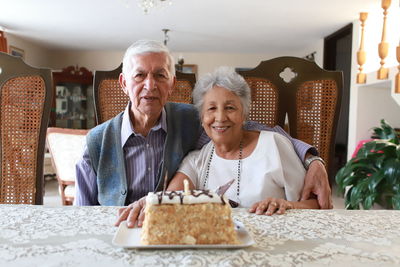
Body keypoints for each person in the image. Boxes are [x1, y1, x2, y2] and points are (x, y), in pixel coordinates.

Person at [75, 39, 331, 209]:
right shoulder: (97, 141)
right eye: (139, 75)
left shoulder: (191, 119)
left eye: (160, 75)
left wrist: (312, 159)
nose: (150, 85)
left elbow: (255, 130)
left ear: (172, 84)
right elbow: (82, 215)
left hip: (169, 231)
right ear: (123, 83)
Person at [115, 67, 319, 227]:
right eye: (211, 108)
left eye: (230, 108)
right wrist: (150, 201)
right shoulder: (196, 160)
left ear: (244, 114)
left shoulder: (274, 145)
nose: (220, 118)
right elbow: (171, 198)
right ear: (202, 118)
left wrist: (289, 205)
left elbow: (317, 204)